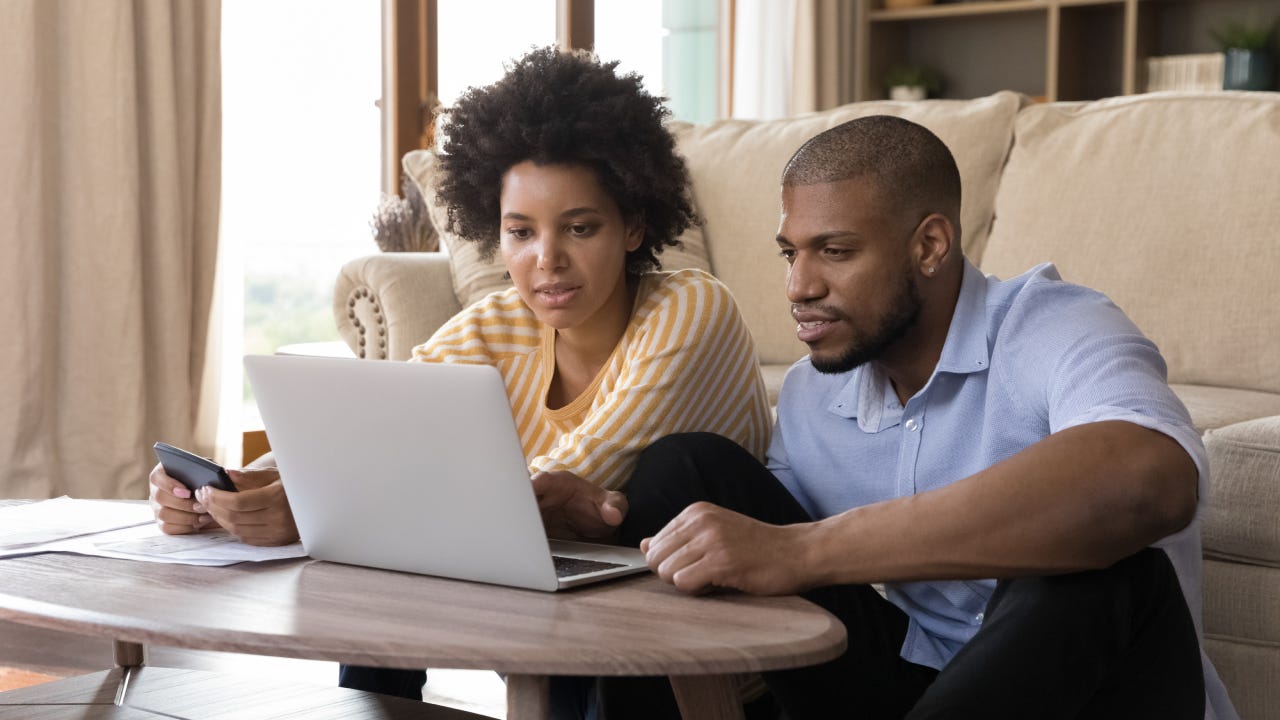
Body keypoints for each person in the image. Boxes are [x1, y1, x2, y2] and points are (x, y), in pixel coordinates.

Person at [147, 47, 772, 713]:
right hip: (569, 608)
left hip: (720, 653)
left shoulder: (692, 309)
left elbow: (570, 472)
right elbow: (372, 432)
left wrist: (313, 504)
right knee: (385, 536)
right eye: (520, 232)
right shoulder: (497, 325)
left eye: (580, 228)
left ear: (633, 225)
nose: (547, 260)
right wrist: (230, 489)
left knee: (413, 512)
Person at [604, 115, 1236, 719]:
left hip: (1092, 698)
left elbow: (1150, 479)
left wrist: (804, 550)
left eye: (835, 250)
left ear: (930, 245)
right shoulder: (811, 393)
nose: (799, 286)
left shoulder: (1058, 327)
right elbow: (757, 543)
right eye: (789, 254)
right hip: (921, 688)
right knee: (685, 469)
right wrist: (606, 516)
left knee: (1101, 566)